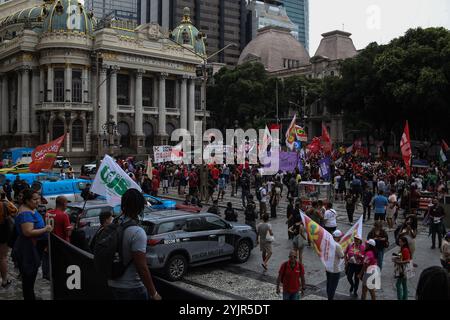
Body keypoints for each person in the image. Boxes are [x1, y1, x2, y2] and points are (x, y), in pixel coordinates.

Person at [107, 189, 161, 300]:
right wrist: (154, 293)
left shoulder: (115, 224)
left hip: (111, 283)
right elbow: (142, 267)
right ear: (140, 208)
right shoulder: (137, 232)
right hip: (131, 288)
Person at [13, 189, 53, 300]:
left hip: (32, 248)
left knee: (29, 278)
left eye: (38, 198)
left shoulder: (30, 209)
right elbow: (28, 232)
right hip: (28, 250)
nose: (37, 201)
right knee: (29, 278)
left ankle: (30, 296)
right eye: (34, 199)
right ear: (27, 201)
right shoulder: (26, 213)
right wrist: (46, 229)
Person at [0, 191, 18, 288]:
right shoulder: (4, 204)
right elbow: (15, 211)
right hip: (2, 232)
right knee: (2, 257)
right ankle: (4, 280)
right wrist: (6, 200)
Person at [326, 230, 345, 300]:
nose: (341, 238)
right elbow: (342, 256)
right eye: (340, 237)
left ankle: (329, 297)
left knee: (328, 285)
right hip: (335, 269)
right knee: (333, 287)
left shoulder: (328, 242)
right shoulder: (337, 245)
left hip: (328, 268)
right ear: (338, 237)